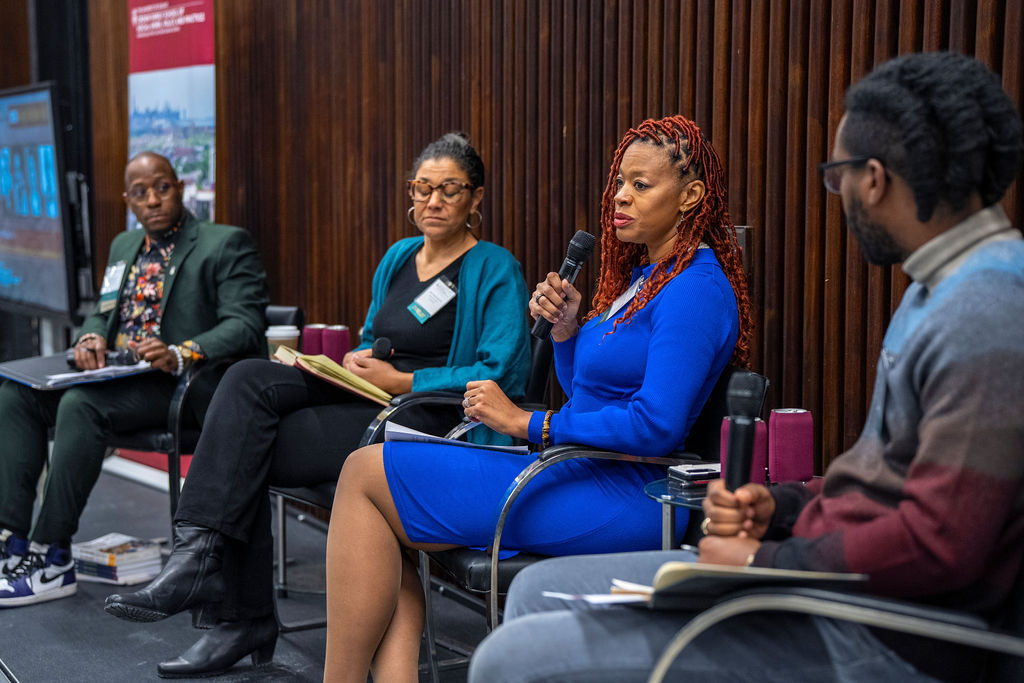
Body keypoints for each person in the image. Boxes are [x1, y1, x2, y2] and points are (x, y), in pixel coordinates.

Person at [467, 52, 1024, 683]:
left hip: (883, 629)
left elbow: (940, 545)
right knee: (534, 591)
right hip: (835, 584)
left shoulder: (985, 311)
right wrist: (783, 504)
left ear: (874, 179)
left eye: (837, 177)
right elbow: (884, 481)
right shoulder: (938, 287)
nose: (841, 199)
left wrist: (767, 562)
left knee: (508, 659)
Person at [319, 114, 754, 681]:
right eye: (620, 182)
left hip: (622, 494)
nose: (620, 196)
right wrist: (569, 333)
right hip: (574, 468)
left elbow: (656, 425)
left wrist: (529, 424)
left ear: (691, 196)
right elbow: (589, 395)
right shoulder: (648, 276)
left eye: (641, 185)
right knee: (378, 505)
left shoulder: (694, 288)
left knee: (365, 474)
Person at [103, 132, 532, 677]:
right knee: (247, 376)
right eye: (422, 188)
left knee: (244, 448)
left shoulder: (494, 266)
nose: (433, 201)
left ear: (476, 197)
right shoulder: (398, 257)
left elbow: (501, 370)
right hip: (373, 400)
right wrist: (356, 360)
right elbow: (375, 336)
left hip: (434, 421)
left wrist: (404, 379)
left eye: (450, 189)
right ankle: (202, 565)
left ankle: (230, 605)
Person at [0, 151, 268, 607]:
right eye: (140, 193)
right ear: (128, 200)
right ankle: (11, 542)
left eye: (161, 188)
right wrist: (90, 336)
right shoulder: (125, 246)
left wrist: (182, 351)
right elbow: (103, 311)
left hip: (179, 383)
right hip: (117, 376)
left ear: (179, 188)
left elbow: (245, 323)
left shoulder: (224, 243)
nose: (153, 201)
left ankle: (52, 555)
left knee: (80, 406)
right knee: (15, 396)